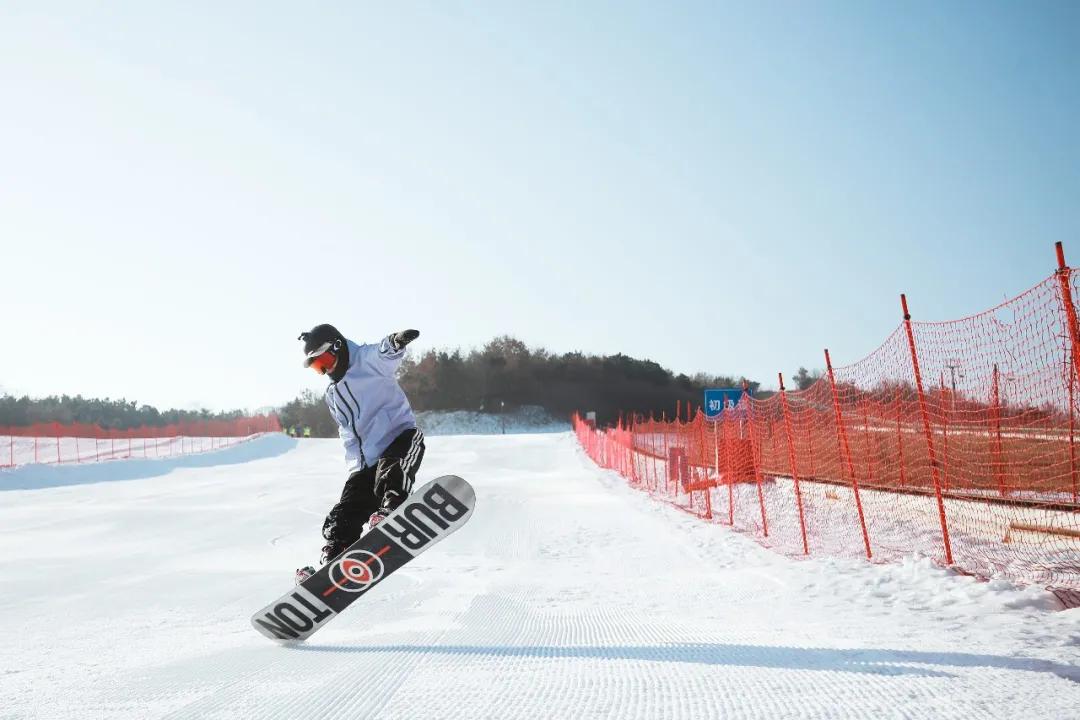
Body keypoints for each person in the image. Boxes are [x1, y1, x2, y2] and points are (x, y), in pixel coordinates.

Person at [294, 323, 424, 583]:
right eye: (319, 368)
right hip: (367, 461)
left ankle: (392, 508)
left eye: (326, 360)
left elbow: (384, 352)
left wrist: (396, 341)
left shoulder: (366, 360)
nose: (327, 369)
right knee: (347, 507)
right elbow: (348, 434)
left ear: (338, 347)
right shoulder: (333, 395)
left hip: (400, 438)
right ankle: (335, 554)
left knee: (392, 470)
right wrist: (356, 471)